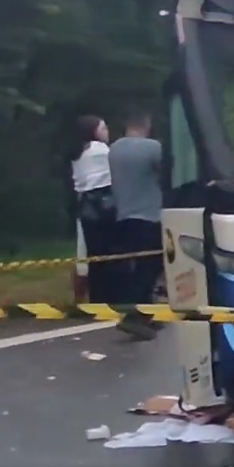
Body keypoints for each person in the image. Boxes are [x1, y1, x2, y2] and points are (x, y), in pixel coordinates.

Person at [108, 108, 163, 340]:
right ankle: (135, 316)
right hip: (150, 215)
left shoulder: (114, 149)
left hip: (124, 215)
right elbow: (166, 173)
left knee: (137, 265)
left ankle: (146, 314)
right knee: (148, 268)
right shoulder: (152, 148)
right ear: (146, 124)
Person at [70, 115, 115, 303]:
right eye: (103, 128)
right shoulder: (101, 150)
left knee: (86, 254)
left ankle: (86, 297)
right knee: (108, 252)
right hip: (102, 203)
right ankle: (109, 295)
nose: (107, 131)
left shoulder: (77, 152)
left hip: (84, 206)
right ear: (94, 131)